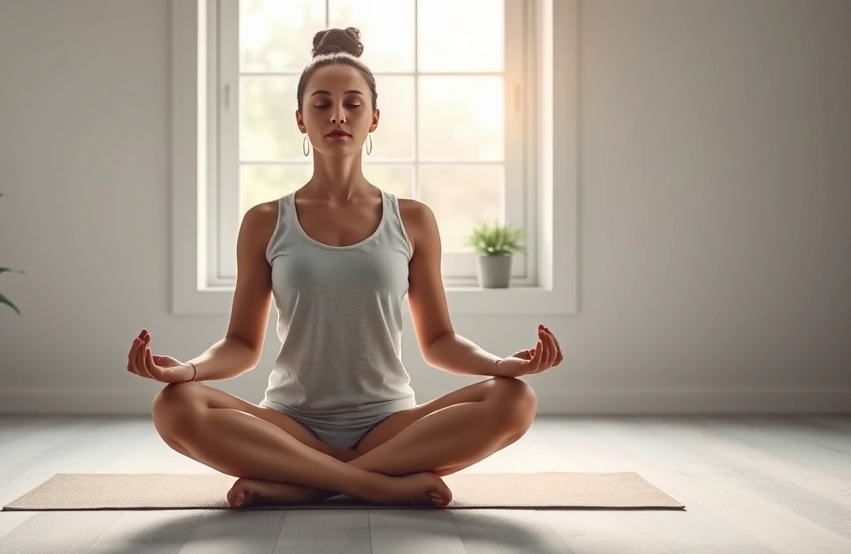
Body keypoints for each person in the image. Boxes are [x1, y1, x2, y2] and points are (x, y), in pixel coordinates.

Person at [127, 27, 564, 509]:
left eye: (353, 104)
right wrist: (187, 370)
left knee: (515, 399)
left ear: (374, 118)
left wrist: (503, 364)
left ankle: (307, 482)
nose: (338, 115)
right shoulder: (265, 222)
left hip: (389, 425)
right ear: (300, 119)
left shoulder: (413, 219)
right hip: (290, 423)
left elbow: (439, 342)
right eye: (321, 104)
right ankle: (376, 485)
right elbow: (241, 346)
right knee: (174, 405)